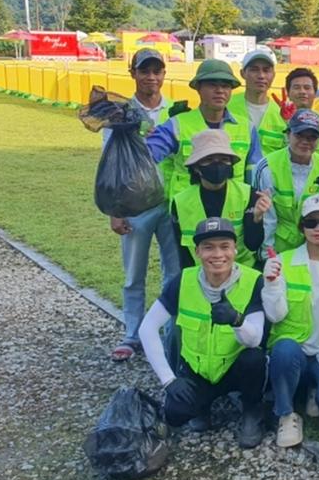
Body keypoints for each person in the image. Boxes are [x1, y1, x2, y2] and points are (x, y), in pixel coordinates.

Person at [138, 217, 266, 449]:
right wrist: (169, 380)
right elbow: (147, 328)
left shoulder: (254, 280)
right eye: (208, 247)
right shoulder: (183, 281)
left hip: (235, 369)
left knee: (254, 358)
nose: (217, 254)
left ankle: (251, 411)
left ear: (235, 250)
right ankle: (203, 407)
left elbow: (255, 338)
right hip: (198, 372)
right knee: (175, 415)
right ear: (197, 252)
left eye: (224, 246)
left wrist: (236, 320)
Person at [262, 194, 319, 447]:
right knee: (283, 350)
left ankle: (313, 387)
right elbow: (275, 315)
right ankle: (286, 413)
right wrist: (270, 285)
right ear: (301, 227)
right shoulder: (283, 262)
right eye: (311, 222)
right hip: (295, 349)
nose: (318, 229)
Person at [106, 48, 181, 362]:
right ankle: (132, 334)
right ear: (132, 73)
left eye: (156, 71)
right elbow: (111, 162)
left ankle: (169, 333)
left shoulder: (176, 112)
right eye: (144, 70)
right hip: (136, 205)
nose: (151, 77)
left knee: (174, 271)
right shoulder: (121, 114)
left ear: (164, 74)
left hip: (171, 201)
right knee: (134, 273)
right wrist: (115, 209)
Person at [146, 59, 261, 199]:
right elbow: (146, 156)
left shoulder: (247, 128)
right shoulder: (177, 124)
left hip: (234, 210)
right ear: (198, 88)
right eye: (212, 85)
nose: (219, 91)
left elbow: (254, 173)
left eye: (225, 86)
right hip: (188, 211)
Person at [170, 129, 267, 270]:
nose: (217, 165)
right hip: (200, 275)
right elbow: (183, 254)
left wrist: (257, 219)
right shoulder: (180, 202)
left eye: (223, 160)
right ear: (196, 167)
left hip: (242, 272)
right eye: (209, 160)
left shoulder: (247, 195)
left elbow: (253, 244)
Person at [254, 109, 319, 255]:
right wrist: (267, 255)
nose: (305, 142)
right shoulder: (267, 166)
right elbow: (266, 217)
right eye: (299, 135)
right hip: (278, 250)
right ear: (288, 134)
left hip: (314, 251)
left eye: (312, 137)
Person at [228, 47, 289, 163]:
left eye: (266, 70)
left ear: (274, 75)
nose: (261, 76)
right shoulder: (227, 106)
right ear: (242, 74)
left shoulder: (283, 114)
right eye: (254, 70)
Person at [282, 67, 319, 159]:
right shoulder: (276, 119)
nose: (302, 92)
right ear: (287, 92)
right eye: (297, 87)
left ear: (315, 92)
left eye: (307, 88)